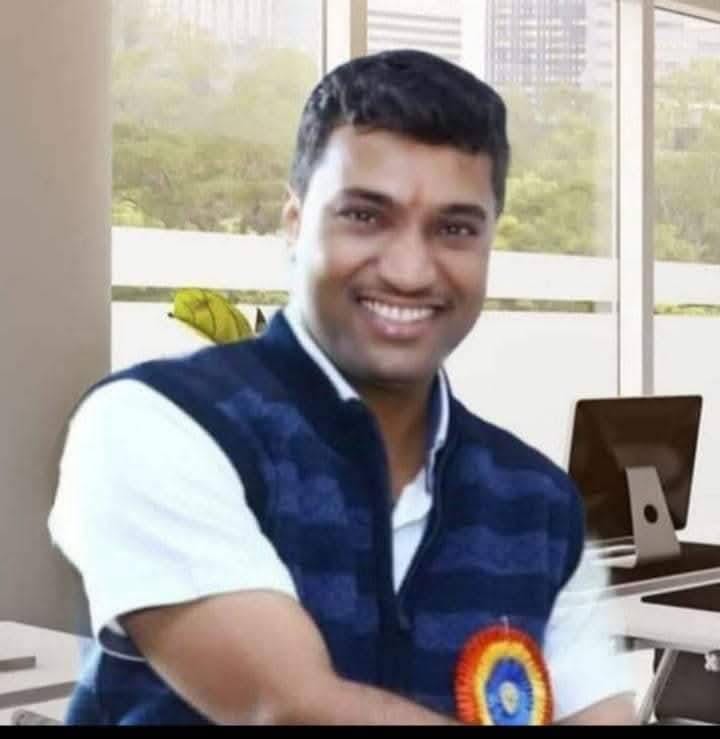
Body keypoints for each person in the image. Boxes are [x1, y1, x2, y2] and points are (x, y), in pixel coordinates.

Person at [48, 49, 636, 725]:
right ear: (294, 223)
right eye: (365, 216)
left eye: (454, 229)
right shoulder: (156, 423)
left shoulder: (540, 504)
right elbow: (291, 707)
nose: (410, 271)